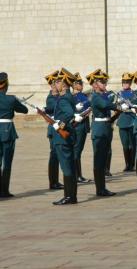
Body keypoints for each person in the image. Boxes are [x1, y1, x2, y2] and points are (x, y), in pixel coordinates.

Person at [88, 69, 122, 197]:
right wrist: (118, 106)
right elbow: (105, 105)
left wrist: (118, 111)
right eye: (102, 82)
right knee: (99, 160)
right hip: (99, 130)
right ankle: (100, 189)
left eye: (105, 82)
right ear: (96, 84)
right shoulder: (96, 97)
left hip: (106, 128)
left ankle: (102, 187)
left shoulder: (103, 95)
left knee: (103, 159)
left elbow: (109, 109)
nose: (105, 84)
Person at [52, 68, 79, 205]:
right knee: (69, 166)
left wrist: (60, 125)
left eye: (57, 82)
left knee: (66, 166)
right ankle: (71, 196)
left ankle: (69, 196)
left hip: (62, 137)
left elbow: (69, 114)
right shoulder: (68, 97)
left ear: (63, 84)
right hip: (66, 136)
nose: (55, 84)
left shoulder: (63, 99)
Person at [0, 72, 28, 198]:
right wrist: (17, 102)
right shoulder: (10, 99)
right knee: (7, 162)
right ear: (6, 85)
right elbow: (24, 110)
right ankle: (4, 190)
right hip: (7, 131)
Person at [44, 70, 64, 190]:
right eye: (56, 82)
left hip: (59, 128)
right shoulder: (51, 98)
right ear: (52, 85)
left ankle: (55, 180)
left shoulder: (58, 96)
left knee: (57, 155)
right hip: (54, 129)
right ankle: (53, 181)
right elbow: (53, 107)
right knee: (54, 155)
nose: (59, 84)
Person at [72, 72, 92, 183]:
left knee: (78, 151)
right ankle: (77, 175)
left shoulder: (83, 96)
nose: (81, 85)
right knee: (77, 150)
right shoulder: (72, 97)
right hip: (77, 126)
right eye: (79, 83)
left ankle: (78, 175)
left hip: (83, 126)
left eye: (81, 83)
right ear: (74, 85)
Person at [116, 72, 136, 172]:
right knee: (125, 144)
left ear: (130, 83)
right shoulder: (119, 94)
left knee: (132, 144)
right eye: (123, 82)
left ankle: (132, 164)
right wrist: (120, 107)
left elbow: (136, 105)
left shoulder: (134, 93)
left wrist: (130, 107)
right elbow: (115, 106)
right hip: (122, 120)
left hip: (132, 119)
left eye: (127, 82)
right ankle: (127, 164)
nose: (125, 83)